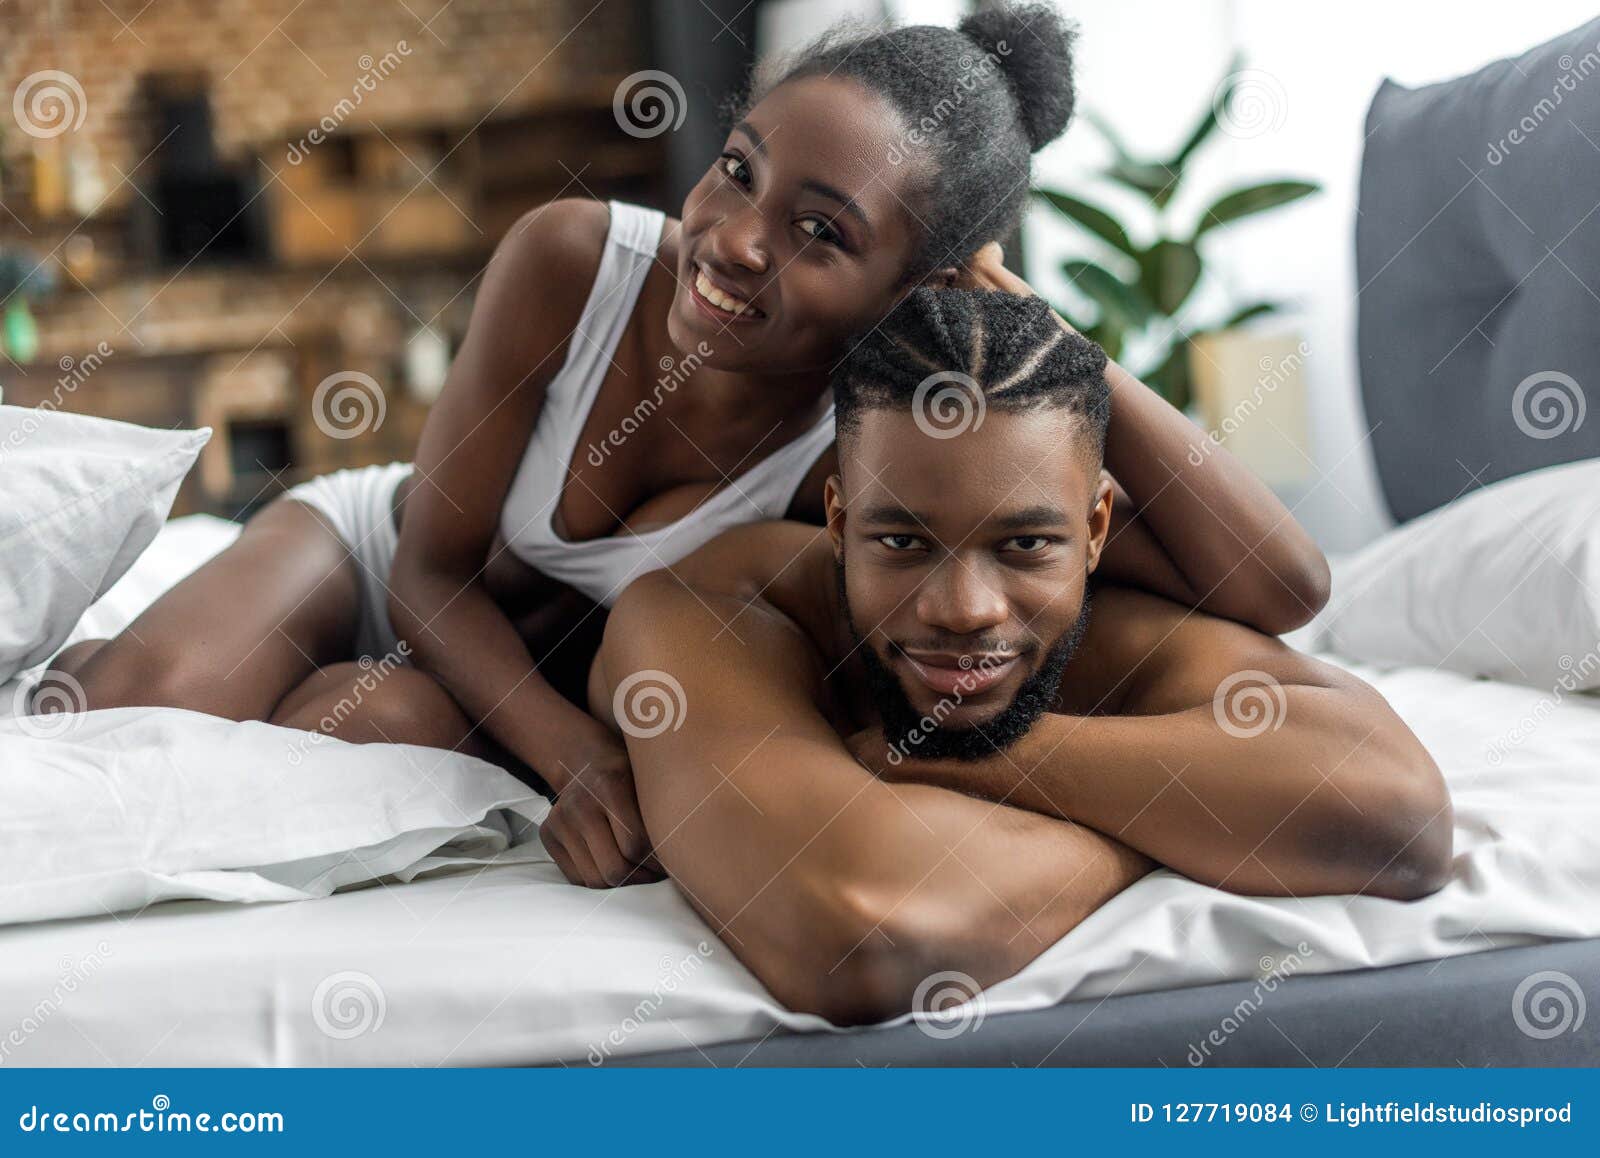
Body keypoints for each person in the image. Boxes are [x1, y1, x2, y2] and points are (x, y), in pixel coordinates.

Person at [40, 4, 1326, 885]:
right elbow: (429, 571)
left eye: (821, 234)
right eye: (737, 169)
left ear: (915, 288)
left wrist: (1053, 334)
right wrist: (578, 762)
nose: (732, 240)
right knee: (114, 722)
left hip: (510, 686)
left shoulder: (863, 453)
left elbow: (1282, 588)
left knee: (344, 737)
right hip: (385, 557)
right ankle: (97, 652)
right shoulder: (572, 261)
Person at [582, 288, 1451, 1024]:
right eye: (902, 543)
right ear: (840, 525)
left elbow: (1399, 817)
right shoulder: (696, 613)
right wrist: (1174, 824)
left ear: (1096, 530)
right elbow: (861, 935)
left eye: (1027, 545)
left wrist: (945, 764)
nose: (966, 612)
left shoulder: (1096, 627)